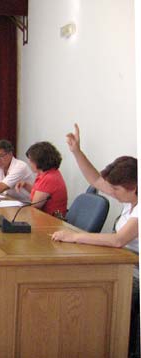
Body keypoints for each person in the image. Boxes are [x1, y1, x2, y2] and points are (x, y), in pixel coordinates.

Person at [51, 124, 138, 358]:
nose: (112, 192)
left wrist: (75, 237)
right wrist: (77, 152)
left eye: (117, 189)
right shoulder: (130, 199)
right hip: (122, 262)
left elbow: (119, 240)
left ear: (133, 187)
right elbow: (96, 179)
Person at [15, 141, 68, 218]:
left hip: (51, 222)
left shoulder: (49, 178)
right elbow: (40, 194)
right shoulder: (47, 173)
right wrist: (26, 185)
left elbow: (35, 205)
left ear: (39, 161)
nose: (29, 163)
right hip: (44, 218)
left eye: (31, 160)